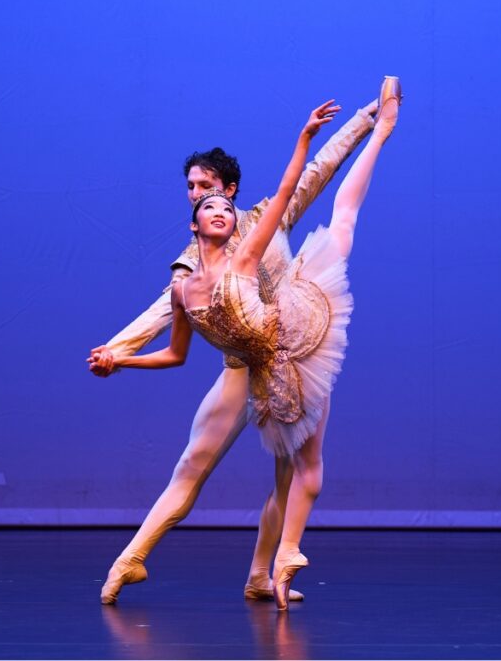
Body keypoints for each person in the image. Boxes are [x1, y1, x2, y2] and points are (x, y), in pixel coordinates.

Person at [93, 79, 401, 609]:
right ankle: (130, 559)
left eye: (205, 185)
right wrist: (116, 352)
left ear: (229, 190)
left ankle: (262, 573)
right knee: (193, 464)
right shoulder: (191, 264)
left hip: (294, 344)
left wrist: (365, 119)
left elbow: (315, 171)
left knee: (289, 475)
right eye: (191, 188)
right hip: (242, 365)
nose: (196, 194)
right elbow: (162, 316)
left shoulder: (261, 222)